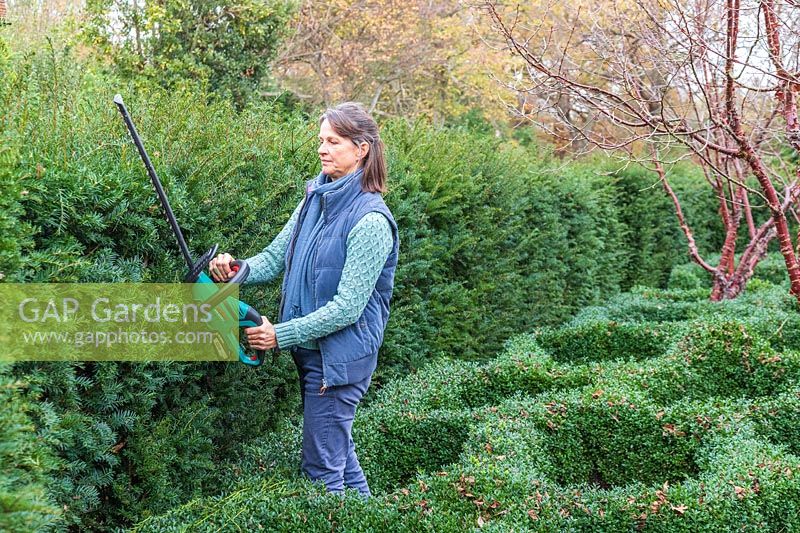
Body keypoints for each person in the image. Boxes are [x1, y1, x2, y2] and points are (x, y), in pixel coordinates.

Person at [208, 102, 399, 499]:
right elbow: (276, 257)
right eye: (320, 141)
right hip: (314, 355)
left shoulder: (371, 222)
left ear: (361, 148)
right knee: (340, 457)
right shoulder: (316, 197)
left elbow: (348, 307)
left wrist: (280, 334)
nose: (322, 149)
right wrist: (234, 269)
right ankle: (372, 518)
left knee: (322, 471)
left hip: (339, 362)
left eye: (333, 141)